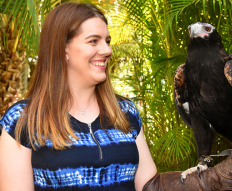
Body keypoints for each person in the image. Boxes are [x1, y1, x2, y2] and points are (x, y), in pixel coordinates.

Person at [0, 2, 157, 191]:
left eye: (107, 41)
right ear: (63, 49)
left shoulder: (126, 112)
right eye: (93, 41)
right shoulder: (23, 119)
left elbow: (149, 187)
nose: (107, 50)